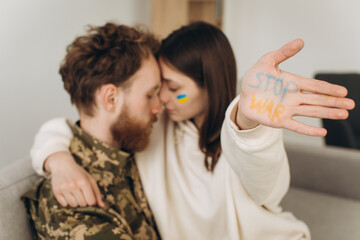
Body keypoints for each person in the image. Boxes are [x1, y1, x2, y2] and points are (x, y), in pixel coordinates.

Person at [29, 21, 355, 240]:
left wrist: (248, 119)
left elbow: (266, 182)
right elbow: (74, 126)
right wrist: (58, 161)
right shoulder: (153, 129)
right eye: (154, 91)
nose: (161, 101)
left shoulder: (235, 133)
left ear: (208, 86)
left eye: (172, 88)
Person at [22, 23, 162, 239]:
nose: (158, 108)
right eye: (150, 95)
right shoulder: (68, 198)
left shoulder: (130, 152)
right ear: (111, 98)